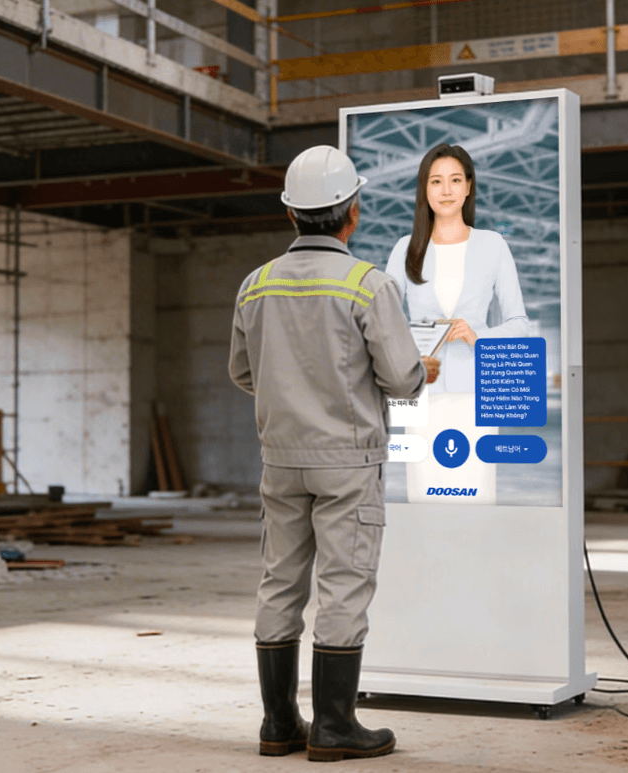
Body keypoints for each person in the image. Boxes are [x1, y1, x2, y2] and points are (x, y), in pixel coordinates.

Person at [229, 145, 439, 762]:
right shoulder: (366, 284)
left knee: (279, 583)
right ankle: (334, 725)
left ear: (290, 214)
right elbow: (401, 380)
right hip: (347, 462)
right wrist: (419, 370)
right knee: (343, 586)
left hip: (280, 459)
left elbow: (243, 372)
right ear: (353, 213)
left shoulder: (255, 285)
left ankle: (278, 724)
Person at [385, 143, 529, 505]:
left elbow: (519, 324)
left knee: (475, 498)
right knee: (425, 498)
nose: (446, 190)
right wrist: (415, 340)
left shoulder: (493, 245)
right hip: (421, 392)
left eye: (455, 180)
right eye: (436, 181)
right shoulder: (405, 248)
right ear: (425, 189)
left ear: (468, 186)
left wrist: (478, 336)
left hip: (474, 396)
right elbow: (383, 322)